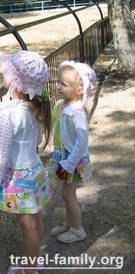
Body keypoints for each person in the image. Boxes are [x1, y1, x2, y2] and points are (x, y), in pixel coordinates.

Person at [0, 50, 52, 274]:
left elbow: (1, 156)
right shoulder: (33, 107)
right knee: (37, 217)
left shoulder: (7, 115)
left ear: (16, 80)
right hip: (34, 171)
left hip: (18, 179)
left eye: (8, 73)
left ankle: (31, 269)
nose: (4, 75)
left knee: (27, 224)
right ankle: (34, 260)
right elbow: (39, 139)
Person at [49, 60, 96, 244]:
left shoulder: (76, 111)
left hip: (72, 161)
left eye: (64, 84)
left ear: (79, 90)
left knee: (69, 195)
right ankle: (70, 223)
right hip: (64, 157)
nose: (59, 87)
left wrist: (69, 164)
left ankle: (77, 230)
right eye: (59, 83)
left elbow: (82, 140)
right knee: (66, 194)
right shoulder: (62, 104)